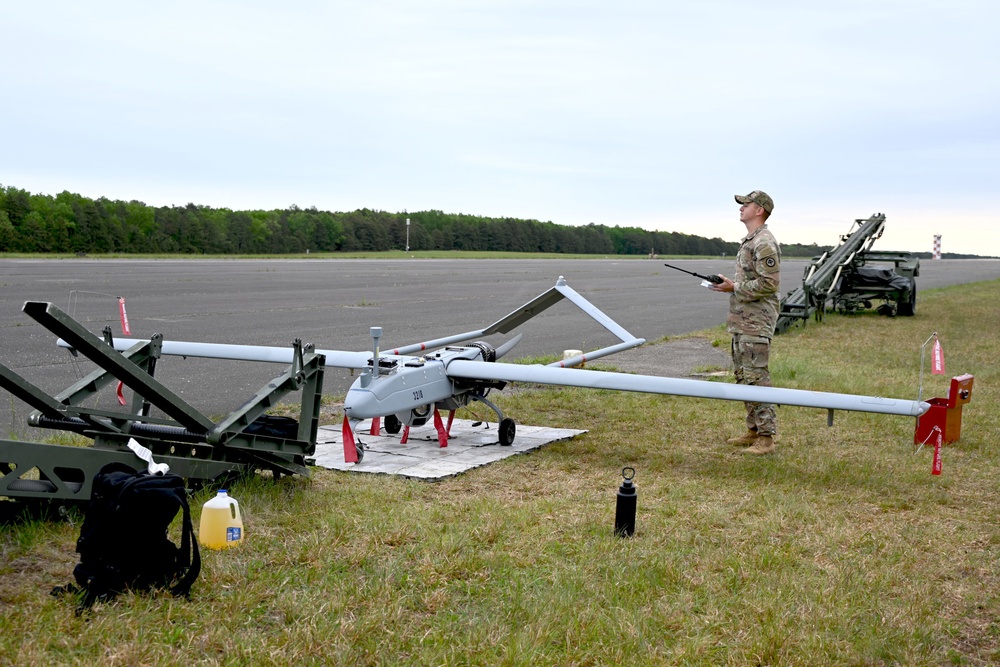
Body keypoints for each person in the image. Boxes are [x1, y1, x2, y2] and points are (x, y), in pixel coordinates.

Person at [709, 190, 781, 455]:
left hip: (756, 322)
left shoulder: (764, 243)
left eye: (746, 204)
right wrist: (730, 286)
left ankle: (767, 438)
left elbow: (770, 284)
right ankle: (753, 430)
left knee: (757, 377)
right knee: (744, 376)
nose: (741, 208)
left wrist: (734, 287)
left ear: (759, 209)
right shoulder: (751, 241)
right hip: (743, 321)